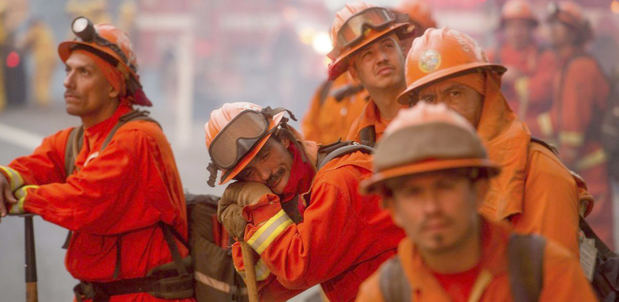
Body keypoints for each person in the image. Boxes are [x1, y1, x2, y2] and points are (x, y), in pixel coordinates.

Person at [0, 18, 192, 302]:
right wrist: (5, 177)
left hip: (145, 296)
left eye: (84, 72)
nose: (67, 82)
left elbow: (85, 200)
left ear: (114, 86)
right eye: (68, 70)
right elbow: (34, 166)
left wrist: (17, 199)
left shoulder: (138, 138)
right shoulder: (78, 139)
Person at [355, 103, 597, 302]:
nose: (431, 208)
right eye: (413, 193)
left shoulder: (546, 272)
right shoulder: (382, 294)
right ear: (392, 207)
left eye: (445, 186)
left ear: (480, 189)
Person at [395, 27, 590, 256]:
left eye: (455, 93)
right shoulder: (425, 175)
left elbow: (555, 283)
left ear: (485, 93)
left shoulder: (540, 172)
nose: (442, 109)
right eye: (429, 98)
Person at [205, 102, 405, 302]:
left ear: (284, 138)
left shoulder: (337, 183)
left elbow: (296, 270)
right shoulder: (301, 194)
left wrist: (260, 207)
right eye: (249, 172)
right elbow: (265, 286)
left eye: (265, 155)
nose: (264, 174)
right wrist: (248, 224)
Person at [539, 1, 613, 247]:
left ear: (574, 33)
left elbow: (573, 130)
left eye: (559, 25)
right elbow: (557, 118)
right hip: (586, 171)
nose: (552, 30)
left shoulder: (579, 68)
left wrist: (556, 171)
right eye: (551, 25)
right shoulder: (568, 65)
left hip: (590, 174)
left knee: (597, 244)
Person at [326, 2, 413, 146]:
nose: (381, 58)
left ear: (403, 50)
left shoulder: (437, 106)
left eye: (388, 45)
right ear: (354, 72)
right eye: (368, 54)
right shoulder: (358, 138)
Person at [488, 0, 556, 137]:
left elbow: (544, 91)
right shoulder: (493, 56)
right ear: (504, 29)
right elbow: (478, 86)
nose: (517, 32)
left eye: (522, 26)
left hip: (534, 133)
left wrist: (518, 82)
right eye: (512, 26)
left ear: (531, 29)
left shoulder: (544, 56)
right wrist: (499, 76)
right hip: (499, 132)